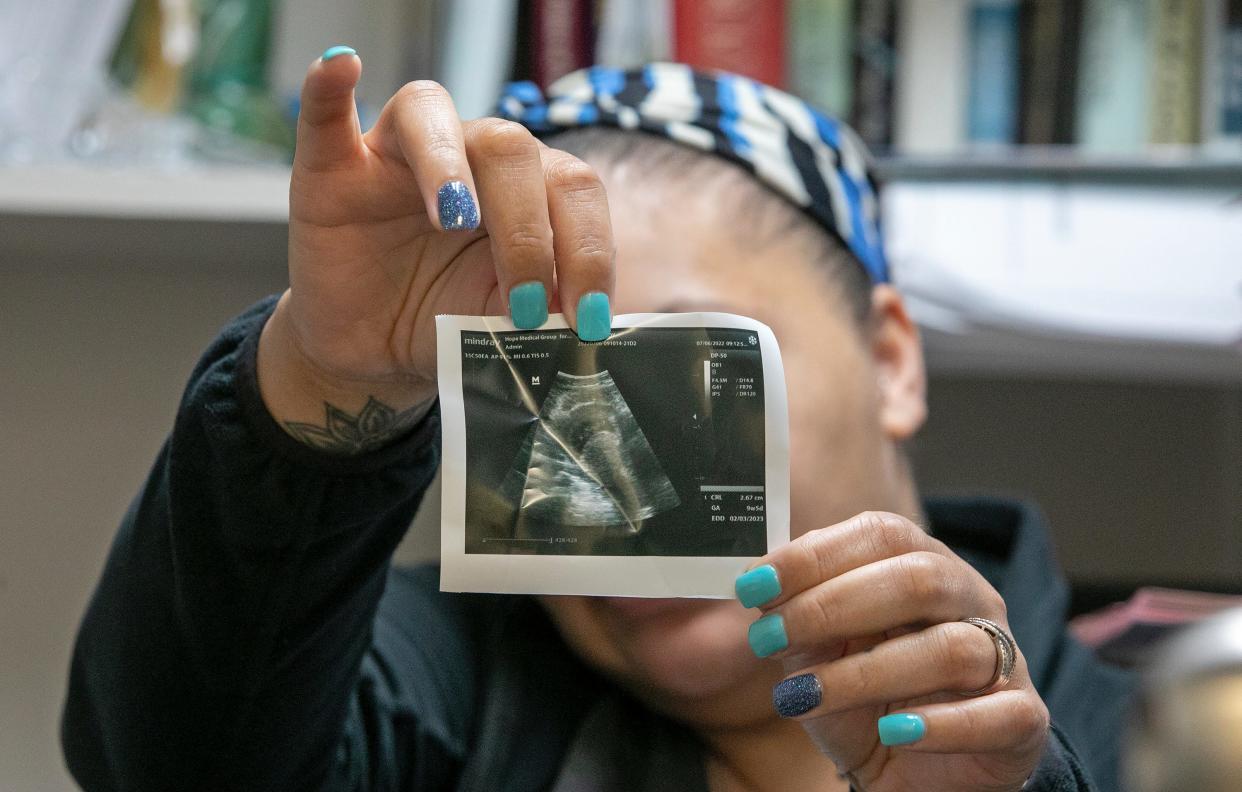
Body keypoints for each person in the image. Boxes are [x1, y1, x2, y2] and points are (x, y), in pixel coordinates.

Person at [61, 56, 1134, 792]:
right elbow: (180, 755)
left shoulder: (1176, 726)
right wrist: (326, 370)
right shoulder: (442, 677)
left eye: (685, 375)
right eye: (545, 395)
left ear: (891, 359)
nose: (612, 471)